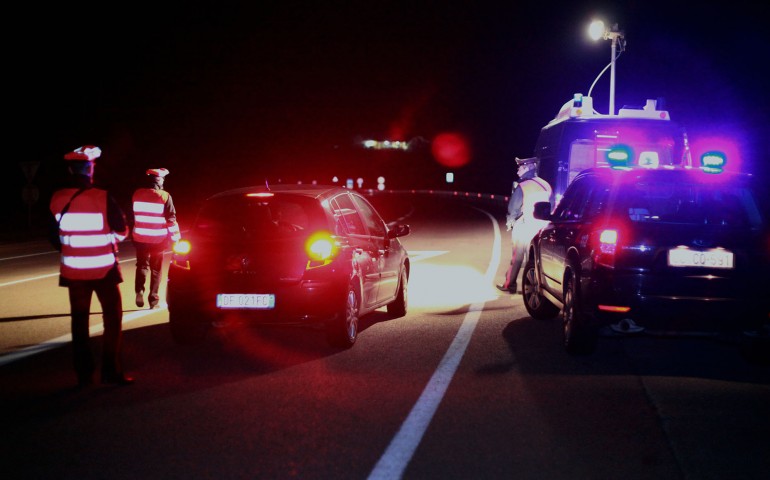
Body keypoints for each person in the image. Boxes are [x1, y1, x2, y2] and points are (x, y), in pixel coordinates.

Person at [49, 146, 134, 387]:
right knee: (113, 320)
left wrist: (74, 247)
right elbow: (121, 230)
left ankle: (84, 375)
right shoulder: (102, 197)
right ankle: (111, 371)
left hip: (73, 273)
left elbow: (54, 237)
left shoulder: (57, 198)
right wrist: (108, 241)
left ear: (69, 169)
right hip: (104, 271)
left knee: (79, 322)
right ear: (91, 169)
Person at [497, 157, 552, 294]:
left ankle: (510, 284)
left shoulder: (523, 186)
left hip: (524, 225)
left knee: (518, 256)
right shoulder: (546, 185)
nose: (517, 171)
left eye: (520, 168)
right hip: (541, 227)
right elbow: (551, 206)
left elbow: (513, 207)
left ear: (528, 168)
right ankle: (537, 285)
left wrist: (510, 221)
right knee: (535, 257)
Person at [132, 168, 181, 309]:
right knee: (156, 269)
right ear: (159, 180)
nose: (164, 181)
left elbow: (133, 215)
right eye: (163, 179)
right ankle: (153, 299)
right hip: (157, 240)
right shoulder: (164, 196)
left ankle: (139, 290)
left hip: (140, 237)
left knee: (141, 265)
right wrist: (176, 239)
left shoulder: (137, 193)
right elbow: (171, 220)